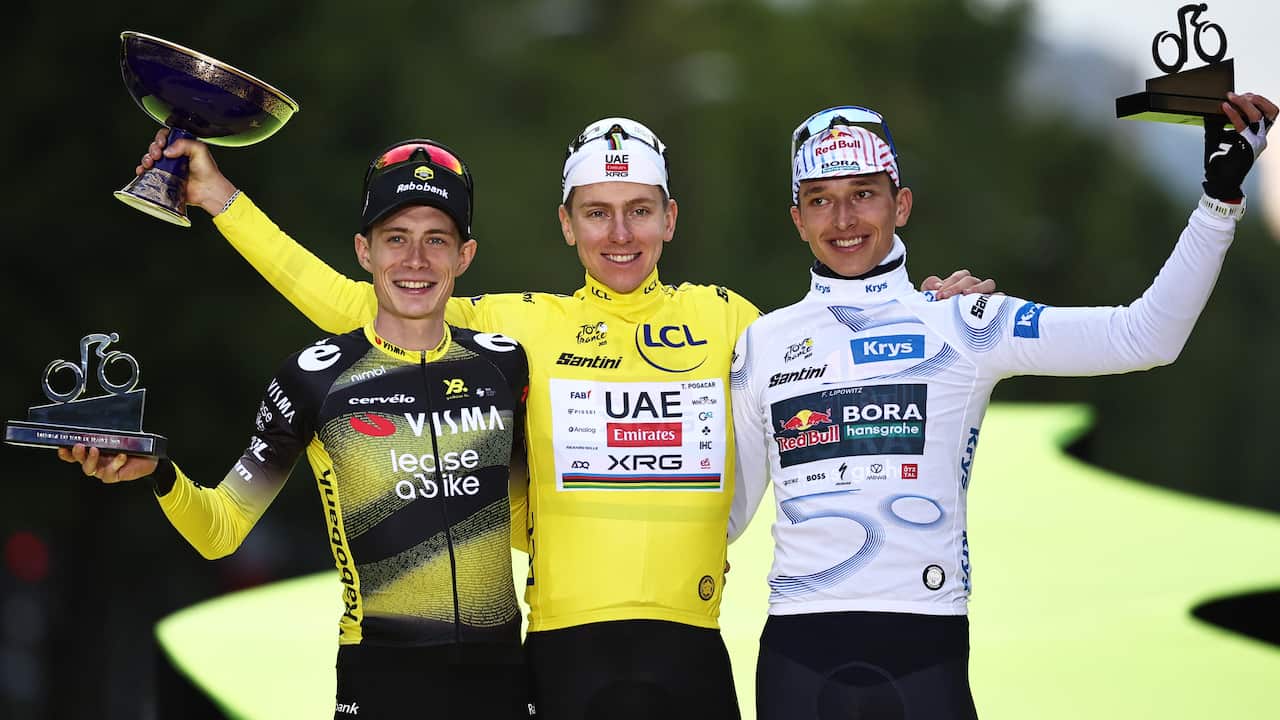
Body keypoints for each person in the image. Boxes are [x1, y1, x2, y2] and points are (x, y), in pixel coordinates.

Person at [132, 118, 993, 719]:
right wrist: (219, 199)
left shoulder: (734, 317)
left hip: (693, 648)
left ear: (669, 219)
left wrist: (930, 304)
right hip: (562, 652)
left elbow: (837, 338)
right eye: (596, 212)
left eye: (639, 211)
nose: (620, 234)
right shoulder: (521, 326)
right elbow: (353, 305)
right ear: (567, 224)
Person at [727, 94, 1276, 719]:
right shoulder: (761, 343)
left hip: (923, 646)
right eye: (821, 199)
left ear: (900, 204)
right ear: (797, 218)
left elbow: (1144, 337)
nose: (843, 218)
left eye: (864, 193)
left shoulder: (965, 321)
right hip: (799, 655)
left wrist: (1218, 203)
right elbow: (723, 516)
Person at [63, 139, 532, 719]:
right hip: (382, 675)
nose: (415, 260)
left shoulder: (505, 365)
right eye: (396, 238)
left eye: (436, 239)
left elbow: (534, 522)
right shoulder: (316, 378)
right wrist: (159, 473)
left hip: (504, 679)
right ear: (364, 251)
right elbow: (222, 530)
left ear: (464, 256)